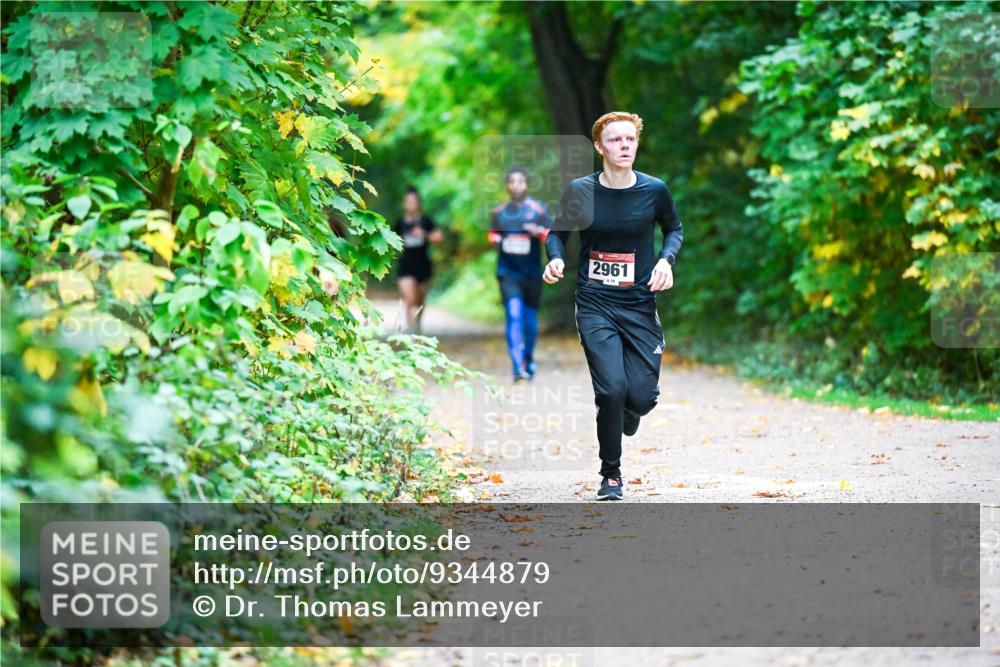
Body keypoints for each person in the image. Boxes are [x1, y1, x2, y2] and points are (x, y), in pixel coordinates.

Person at [543, 111, 684, 501]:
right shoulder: (581, 191)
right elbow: (557, 234)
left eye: (630, 140)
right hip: (595, 303)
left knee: (638, 397)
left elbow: (673, 229)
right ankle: (611, 475)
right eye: (616, 140)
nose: (624, 146)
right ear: (599, 146)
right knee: (610, 391)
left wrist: (665, 261)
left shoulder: (655, 191)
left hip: (639, 303)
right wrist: (556, 259)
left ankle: (630, 410)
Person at [488, 168, 551, 382]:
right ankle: (517, 366)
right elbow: (492, 234)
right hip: (508, 273)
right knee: (513, 315)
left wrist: (538, 233)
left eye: (521, 181)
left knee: (530, 321)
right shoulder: (499, 212)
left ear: (527, 184)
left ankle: (528, 359)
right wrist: (495, 240)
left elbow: (552, 237)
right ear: (507, 185)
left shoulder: (538, 210)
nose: (516, 185)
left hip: (532, 274)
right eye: (512, 181)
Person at [394, 186, 443, 333]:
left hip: (422, 265)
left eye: (414, 201)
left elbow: (439, 237)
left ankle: (417, 326)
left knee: (419, 302)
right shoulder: (399, 223)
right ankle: (409, 335)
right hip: (405, 266)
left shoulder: (426, 221)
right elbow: (391, 242)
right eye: (408, 201)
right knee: (409, 300)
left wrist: (425, 234)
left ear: (418, 203)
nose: (411, 204)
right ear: (404, 203)